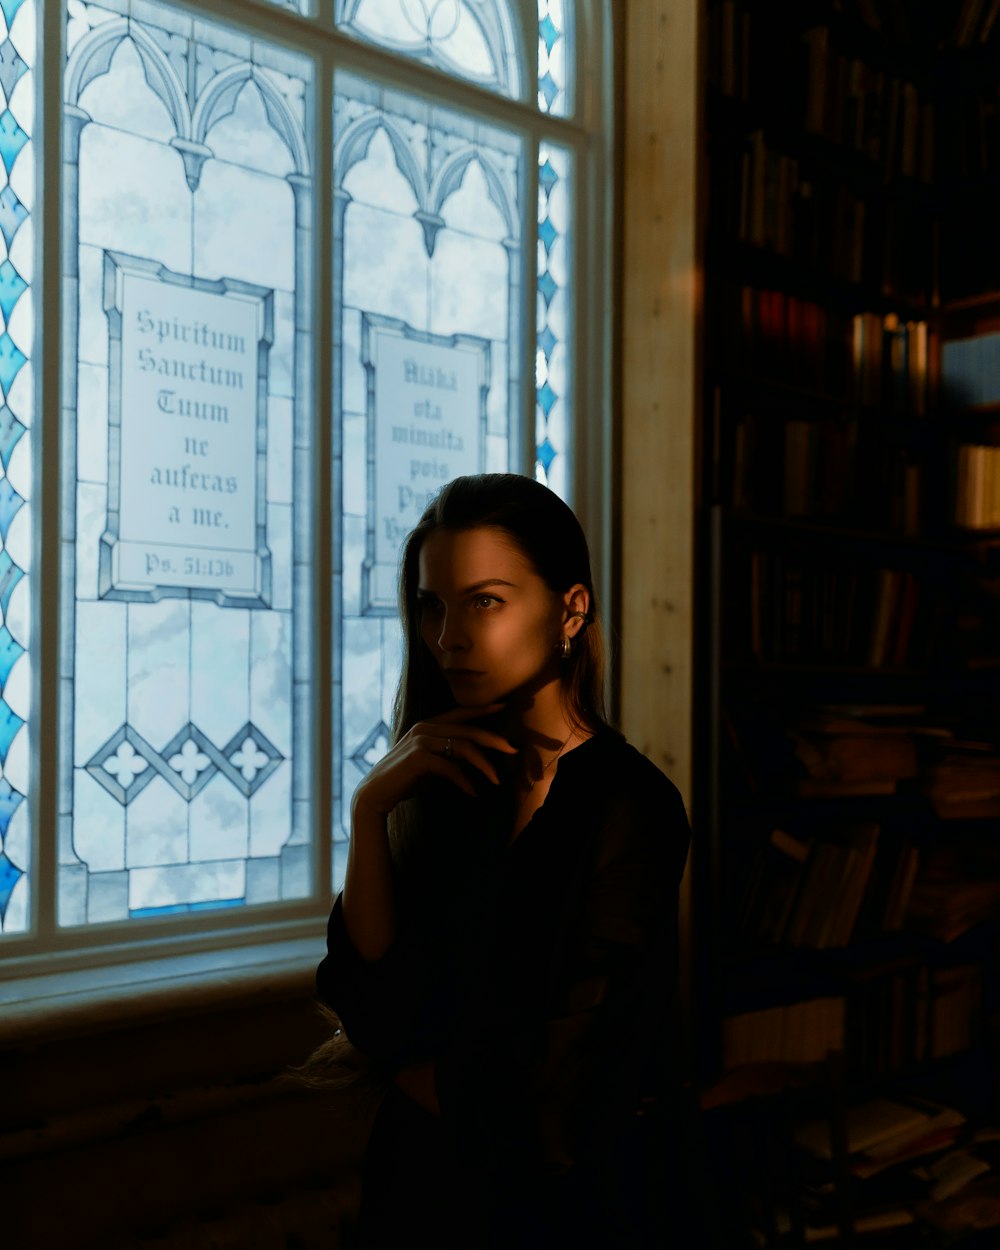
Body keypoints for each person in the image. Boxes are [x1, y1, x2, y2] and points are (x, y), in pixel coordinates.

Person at [315, 473, 691, 1248]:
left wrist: (413, 1071)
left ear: (571, 611)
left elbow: (560, 1088)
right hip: (412, 1195)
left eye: (485, 600)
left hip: (552, 1215)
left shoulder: (632, 806)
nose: (449, 635)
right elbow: (373, 1006)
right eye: (432, 604)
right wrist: (369, 811)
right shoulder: (445, 783)